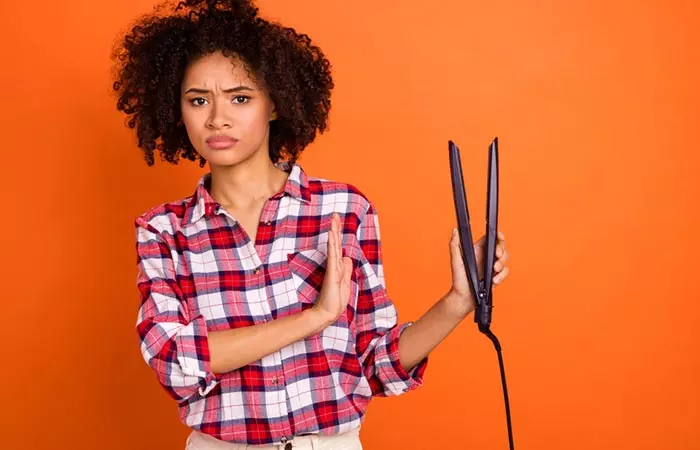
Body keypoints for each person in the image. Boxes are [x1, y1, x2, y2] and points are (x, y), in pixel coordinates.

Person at [111, 1, 510, 448]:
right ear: (176, 109)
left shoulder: (342, 209)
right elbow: (174, 359)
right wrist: (316, 317)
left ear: (276, 103)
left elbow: (376, 362)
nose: (216, 117)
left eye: (240, 98)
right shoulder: (164, 231)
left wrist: (458, 301)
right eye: (198, 100)